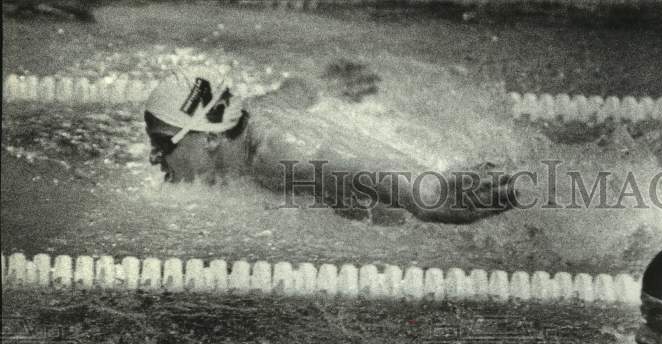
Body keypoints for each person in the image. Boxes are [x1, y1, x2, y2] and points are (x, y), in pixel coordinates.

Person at [143, 68, 517, 224]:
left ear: (209, 136)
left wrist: (429, 197)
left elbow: (351, 170)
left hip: (443, 187)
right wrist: (330, 81)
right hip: (433, 155)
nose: (155, 156)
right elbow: (295, 89)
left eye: (164, 142)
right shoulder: (255, 115)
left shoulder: (271, 160)